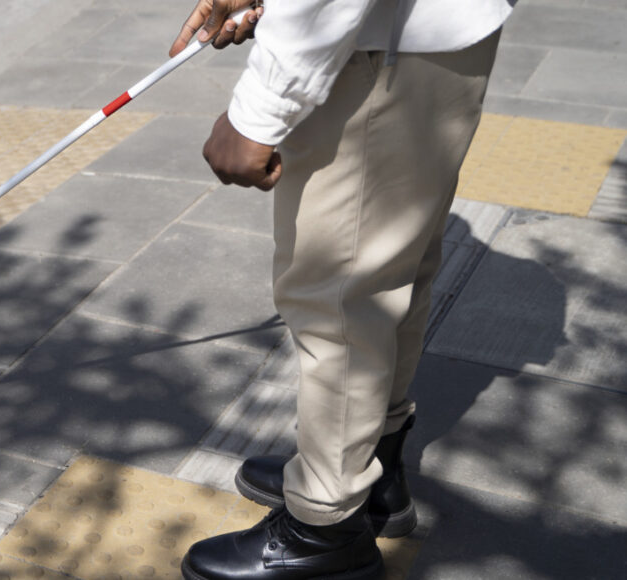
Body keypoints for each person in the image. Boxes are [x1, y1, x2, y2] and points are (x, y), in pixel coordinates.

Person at [169, 0, 514, 578]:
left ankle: (324, 526)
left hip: (377, 44)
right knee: (391, 269)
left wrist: (260, 109)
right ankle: (369, 471)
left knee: (337, 291)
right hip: (438, 35)